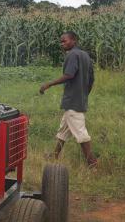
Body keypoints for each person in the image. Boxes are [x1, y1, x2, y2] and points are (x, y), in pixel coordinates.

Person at [39, 31, 97, 167]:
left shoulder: (72, 55)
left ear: (74, 41)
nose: (62, 44)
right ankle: (54, 156)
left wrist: (49, 84)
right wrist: (84, 94)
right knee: (63, 130)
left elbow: (69, 75)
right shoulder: (85, 55)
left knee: (81, 133)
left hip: (72, 101)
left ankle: (92, 163)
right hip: (79, 99)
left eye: (65, 41)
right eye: (61, 41)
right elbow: (91, 79)